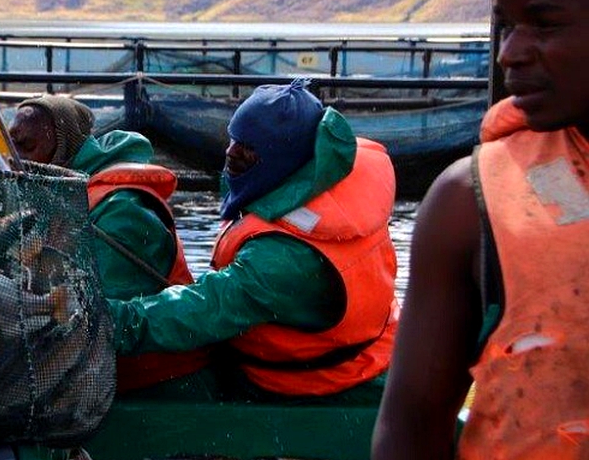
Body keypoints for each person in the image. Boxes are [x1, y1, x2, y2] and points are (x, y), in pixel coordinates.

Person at [369, 0, 589, 460]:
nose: (510, 52)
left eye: (545, 24)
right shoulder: (469, 200)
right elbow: (414, 422)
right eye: (506, 25)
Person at [107, 77, 398, 401]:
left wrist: (109, 321)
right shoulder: (326, 185)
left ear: (286, 155)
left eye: (250, 147)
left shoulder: (284, 259)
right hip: (365, 354)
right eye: (234, 139)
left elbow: (208, 306)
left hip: (316, 383)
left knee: (166, 381)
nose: (231, 152)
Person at [8, 95, 202, 391]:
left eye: (28, 147)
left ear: (63, 149)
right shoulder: (57, 198)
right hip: (100, 367)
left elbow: (105, 320)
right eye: (11, 146)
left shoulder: (122, 213)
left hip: (157, 378)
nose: (14, 160)